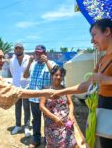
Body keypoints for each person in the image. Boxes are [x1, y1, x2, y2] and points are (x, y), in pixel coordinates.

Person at [0, 46, 58, 143]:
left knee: (48, 121)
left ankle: (49, 141)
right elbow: (16, 89)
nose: (3, 60)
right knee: (34, 119)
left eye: (3, 57)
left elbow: (57, 74)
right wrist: (45, 92)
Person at [54, 18, 112, 148]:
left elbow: (102, 80)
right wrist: (61, 91)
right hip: (103, 107)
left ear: (107, 31)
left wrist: (106, 80)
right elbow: (87, 85)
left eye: (94, 34)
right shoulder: (102, 60)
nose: (92, 40)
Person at [23, 45, 56, 148]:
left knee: (48, 121)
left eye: (40, 53)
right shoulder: (33, 64)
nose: (38, 55)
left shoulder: (51, 64)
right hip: (33, 98)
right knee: (36, 120)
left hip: (46, 99)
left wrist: (47, 62)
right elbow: (25, 76)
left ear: (45, 53)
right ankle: (36, 140)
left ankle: (48, 141)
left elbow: (55, 75)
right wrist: (29, 62)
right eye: (36, 53)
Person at [40, 65, 77, 148]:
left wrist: (71, 114)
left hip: (66, 124)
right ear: (52, 75)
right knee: (54, 145)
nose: (58, 77)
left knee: (69, 144)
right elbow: (41, 106)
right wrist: (54, 117)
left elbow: (70, 103)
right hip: (52, 125)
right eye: (56, 75)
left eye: (61, 75)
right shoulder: (46, 89)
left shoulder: (64, 89)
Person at [9, 43, 31, 137]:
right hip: (16, 87)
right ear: (14, 50)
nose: (18, 50)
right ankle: (18, 125)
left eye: (20, 48)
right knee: (17, 107)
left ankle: (26, 127)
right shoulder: (11, 60)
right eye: (16, 48)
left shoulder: (28, 58)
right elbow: (12, 72)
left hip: (26, 87)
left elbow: (30, 71)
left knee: (26, 107)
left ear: (23, 49)